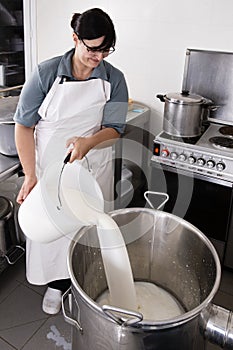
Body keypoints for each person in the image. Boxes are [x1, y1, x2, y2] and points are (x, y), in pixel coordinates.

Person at [14, 8, 128, 314]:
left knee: (85, 230)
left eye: (106, 49)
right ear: (75, 39)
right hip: (49, 166)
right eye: (93, 49)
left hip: (92, 166)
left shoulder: (113, 79)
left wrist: (89, 142)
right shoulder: (46, 73)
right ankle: (56, 284)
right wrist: (29, 175)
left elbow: (115, 129)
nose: (99, 57)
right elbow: (23, 126)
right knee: (53, 229)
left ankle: (82, 283)